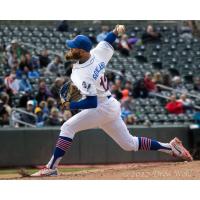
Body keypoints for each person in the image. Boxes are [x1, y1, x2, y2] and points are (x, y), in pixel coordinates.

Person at [32, 24, 192, 177]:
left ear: (81, 51)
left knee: (67, 127)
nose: (70, 49)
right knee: (129, 144)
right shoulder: (96, 53)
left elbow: (91, 103)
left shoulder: (81, 74)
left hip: (100, 107)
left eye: (73, 47)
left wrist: (70, 105)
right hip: (110, 105)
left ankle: (51, 168)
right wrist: (116, 31)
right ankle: (170, 148)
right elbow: (108, 40)